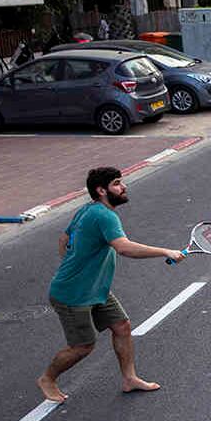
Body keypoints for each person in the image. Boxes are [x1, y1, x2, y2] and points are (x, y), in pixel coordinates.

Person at [38, 167, 185, 403]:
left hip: (96, 288)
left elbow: (63, 240)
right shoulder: (105, 216)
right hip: (73, 294)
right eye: (117, 183)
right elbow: (124, 248)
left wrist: (74, 264)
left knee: (122, 326)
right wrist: (165, 251)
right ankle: (47, 378)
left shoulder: (88, 209)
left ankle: (130, 379)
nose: (123, 187)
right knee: (83, 346)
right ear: (101, 190)